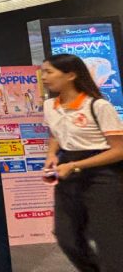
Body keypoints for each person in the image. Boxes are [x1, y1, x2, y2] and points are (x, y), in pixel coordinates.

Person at [41, 53, 123, 272]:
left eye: (49, 72)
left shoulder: (98, 106)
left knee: (109, 240)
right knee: (66, 237)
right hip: (68, 169)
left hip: (102, 175)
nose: (44, 77)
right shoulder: (49, 105)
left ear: (71, 75)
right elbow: (56, 133)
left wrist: (76, 166)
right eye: (43, 72)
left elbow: (119, 150)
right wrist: (52, 155)